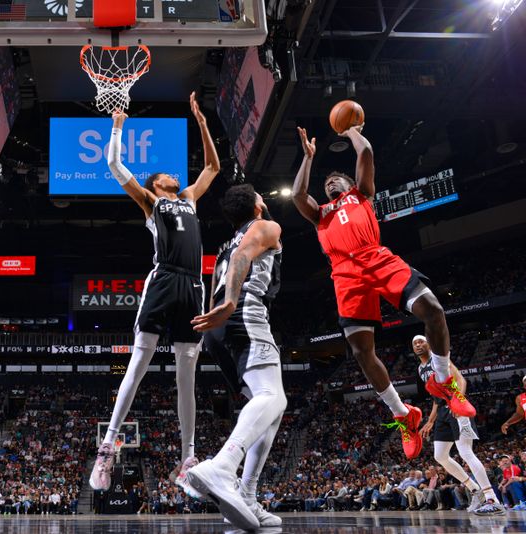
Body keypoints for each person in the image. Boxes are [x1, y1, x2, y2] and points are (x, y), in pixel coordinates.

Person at [291, 125, 474, 460]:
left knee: (433, 309)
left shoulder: (361, 195)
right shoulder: (320, 215)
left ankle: (444, 381)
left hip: (375, 258)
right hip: (345, 275)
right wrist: (307, 157)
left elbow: (366, 154)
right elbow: (297, 196)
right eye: (326, 182)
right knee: (361, 351)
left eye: (336, 180)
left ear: (351, 185)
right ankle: (403, 414)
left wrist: (352, 132)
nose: (331, 182)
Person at [90, 92, 221, 496]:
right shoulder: (151, 203)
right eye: (166, 175)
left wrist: (201, 122)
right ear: (155, 184)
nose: (174, 176)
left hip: (194, 286)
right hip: (164, 279)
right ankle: (108, 445)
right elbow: (113, 164)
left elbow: (214, 166)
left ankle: (188, 459)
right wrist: (117, 125)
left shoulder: (189, 200)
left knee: (187, 376)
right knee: (139, 361)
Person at [185, 185, 284, 531]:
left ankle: (246, 496)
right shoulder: (266, 228)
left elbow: (220, 274)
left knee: (267, 407)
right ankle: (223, 466)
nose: (265, 200)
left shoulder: (225, 244)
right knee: (274, 396)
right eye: (261, 196)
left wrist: (217, 312)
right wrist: (229, 304)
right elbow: (243, 259)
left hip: (218, 330)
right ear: (257, 206)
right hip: (243, 313)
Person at [414, 335, 505, 515]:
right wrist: (430, 420)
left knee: (465, 452)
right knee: (440, 455)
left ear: (429, 344)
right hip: (442, 411)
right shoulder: (420, 368)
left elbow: (461, 380)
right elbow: (436, 397)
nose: (418, 345)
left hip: (456, 406)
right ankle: (474, 490)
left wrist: (459, 401)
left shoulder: (438, 359)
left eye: (421, 341)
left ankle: (492, 499)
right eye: (415, 343)